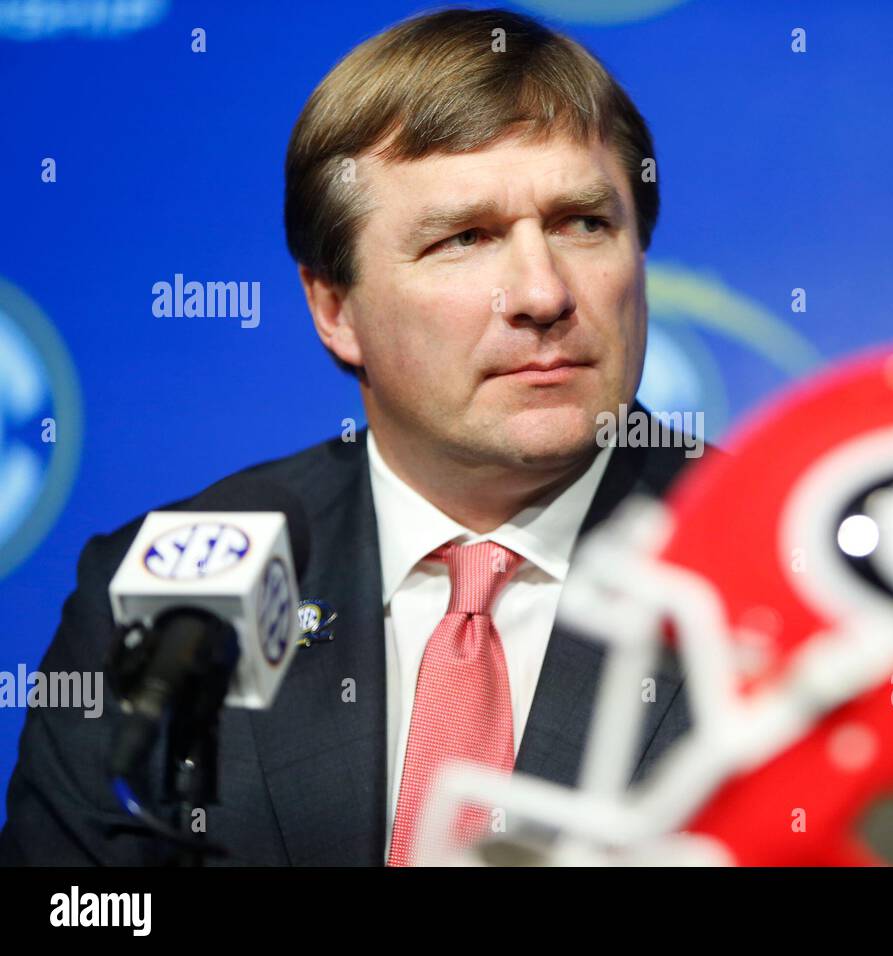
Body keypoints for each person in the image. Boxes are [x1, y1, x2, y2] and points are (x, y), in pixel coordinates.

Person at [0, 7, 711, 866]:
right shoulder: (168, 584)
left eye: (583, 224)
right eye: (465, 238)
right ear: (335, 310)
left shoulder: (789, 576)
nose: (542, 292)